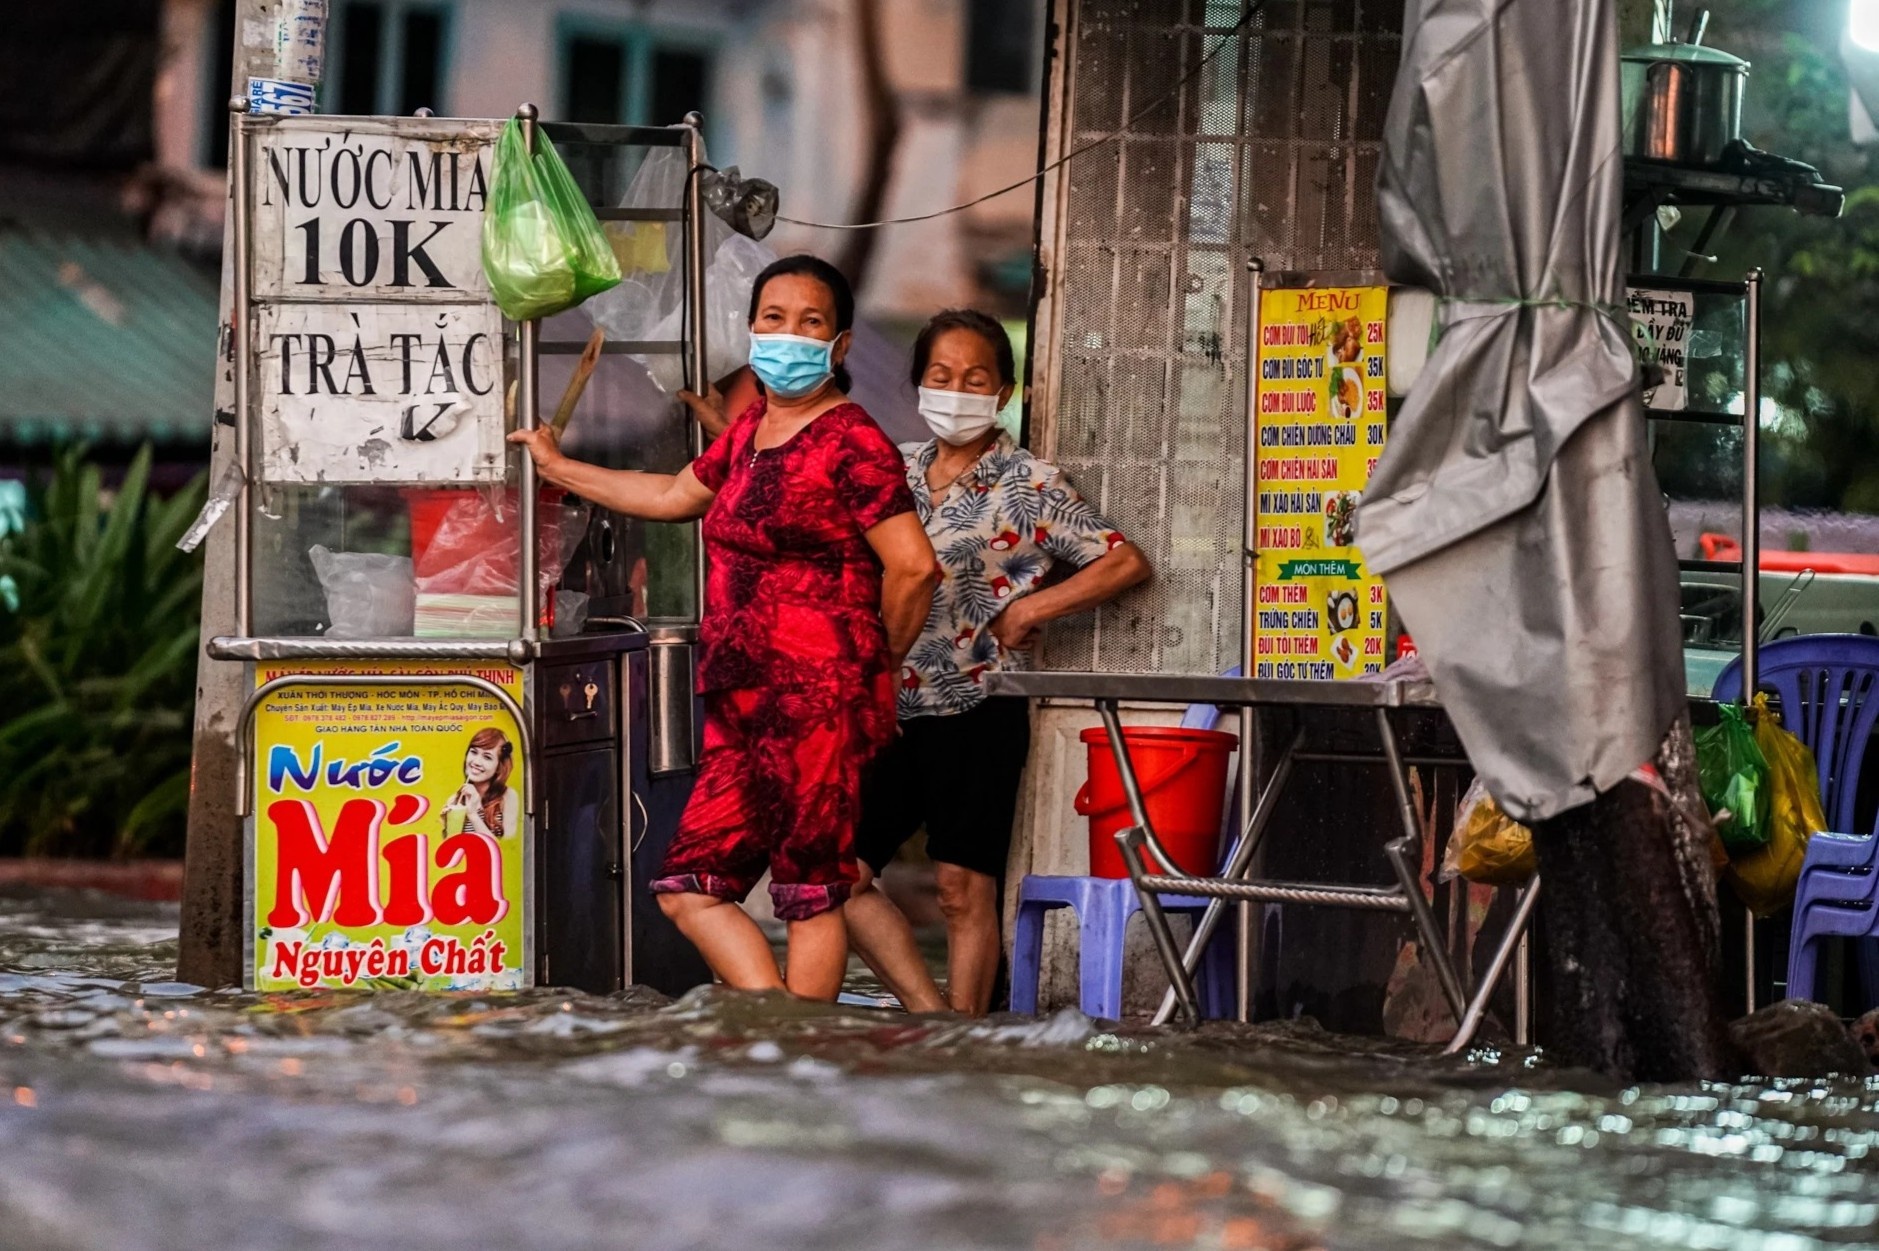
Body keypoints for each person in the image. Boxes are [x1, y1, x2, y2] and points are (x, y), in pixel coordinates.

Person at [509, 255, 935, 1001]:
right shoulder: (749, 432)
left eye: (810, 322)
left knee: (810, 888)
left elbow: (915, 567)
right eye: (774, 318)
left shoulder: (852, 439)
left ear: (838, 345)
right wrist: (557, 466)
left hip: (816, 696)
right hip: (739, 696)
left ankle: (797, 1046)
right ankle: (777, 1027)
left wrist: (872, 666)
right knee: (689, 887)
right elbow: (673, 495)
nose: (788, 334)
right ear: (751, 329)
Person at [843, 309, 1152, 1015]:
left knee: (960, 888)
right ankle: (931, 1016)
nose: (956, 391)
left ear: (1004, 393)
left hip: (977, 706)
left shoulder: (1029, 481)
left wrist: (1031, 609)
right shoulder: (891, 469)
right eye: (941, 375)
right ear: (919, 382)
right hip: (885, 706)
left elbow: (1123, 562)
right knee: (838, 875)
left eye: (975, 379)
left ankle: (964, 1031)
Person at [445, 727, 518, 839]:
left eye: (487, 757)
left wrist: (473, 814)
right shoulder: (455, 800)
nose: (476, 762)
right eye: (474, 752)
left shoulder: (507, 796)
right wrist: (448, 823)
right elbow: (452, 844)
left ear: (499, 767)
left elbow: (507, 846)